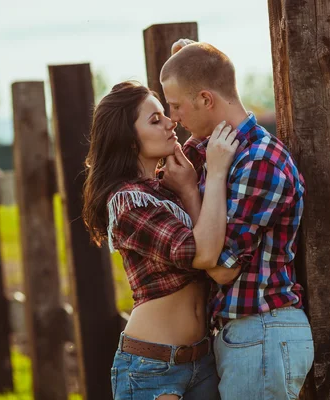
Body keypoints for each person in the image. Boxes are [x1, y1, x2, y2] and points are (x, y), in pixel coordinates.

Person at [160, 40, 315, 399]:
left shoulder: (260, 161)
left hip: (260, 330)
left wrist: (197, 189)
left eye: (177, 105)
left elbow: (222, 267)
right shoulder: (212, 149)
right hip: (243, 335)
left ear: (206, 99)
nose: (174, 118)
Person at [82, 81, 240, 400]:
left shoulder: (169, 187)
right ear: (127, 140)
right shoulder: (127, 202)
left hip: (202, 358)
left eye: (164, 115)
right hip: (152, 366)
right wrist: (217, 173)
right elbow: (201, 253)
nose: (171, 122)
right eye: (155, 120)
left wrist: (189, 190)